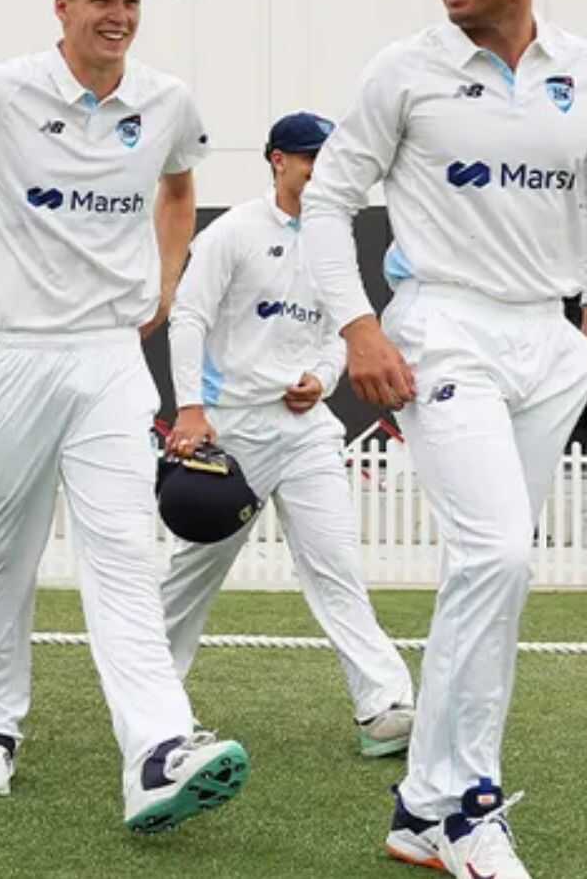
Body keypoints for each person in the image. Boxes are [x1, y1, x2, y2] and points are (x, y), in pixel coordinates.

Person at [0, 0, 248, 835]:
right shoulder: (1, 91)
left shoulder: (164, 101)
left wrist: (165, 281)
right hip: (14, 354)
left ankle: (157, 748)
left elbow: (179, 186)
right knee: (3, 553)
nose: (116, 15)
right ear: (61, 7)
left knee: (121, 549)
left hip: (109, 359)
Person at [299, 0, 587, 879]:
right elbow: (327, 203)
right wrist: (359, 329)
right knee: (497, 559)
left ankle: (422, 812)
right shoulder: (406, 71)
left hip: (547, 344)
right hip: (443, 328)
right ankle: (460, 806)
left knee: (489, 577)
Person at [160, 111, 415, 756]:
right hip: (233, 430)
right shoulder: (235, 232)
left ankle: (383, 704)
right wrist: (190, 409)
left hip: (304, 432)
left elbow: (341, 332)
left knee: (337, 565)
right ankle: (152, 705)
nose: (320, 170)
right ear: (278, 159)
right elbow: (188, 316)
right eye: (310, 159)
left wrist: (322, 379)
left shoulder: (336, 242)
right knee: (194, 575)